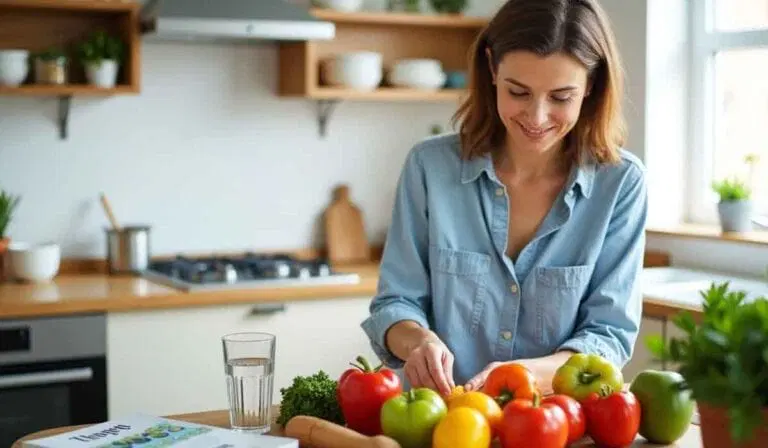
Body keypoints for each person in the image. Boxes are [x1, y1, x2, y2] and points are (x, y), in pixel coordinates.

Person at [360, 0, 647, 398]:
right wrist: (417, 342)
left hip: (551, 427)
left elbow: (608, 335)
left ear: (592, 85)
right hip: (436, 425)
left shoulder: (620, 184)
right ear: (492, 68)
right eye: (519, 92)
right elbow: (396, 302)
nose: (537, 116)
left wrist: (522, 377)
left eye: (561, 97)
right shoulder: (429, 167)